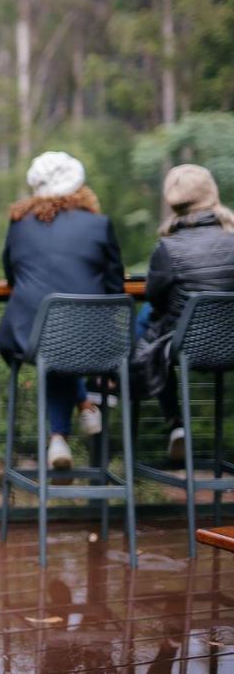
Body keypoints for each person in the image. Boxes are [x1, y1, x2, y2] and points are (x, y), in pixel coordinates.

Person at [0, 151, 123, 470]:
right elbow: (115, 287)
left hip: (29, 335)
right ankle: (81, 406)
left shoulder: (20, 226)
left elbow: (12, 275)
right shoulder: (99, 224)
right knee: (65, 343)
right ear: (78, 186)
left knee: (52, 346)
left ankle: (58, 435)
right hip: (92, 340)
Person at [140, 164, 234, 461]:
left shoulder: (167, 247)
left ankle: (174, 422)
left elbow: (154, 298)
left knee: (148, 323)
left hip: (185, 347)